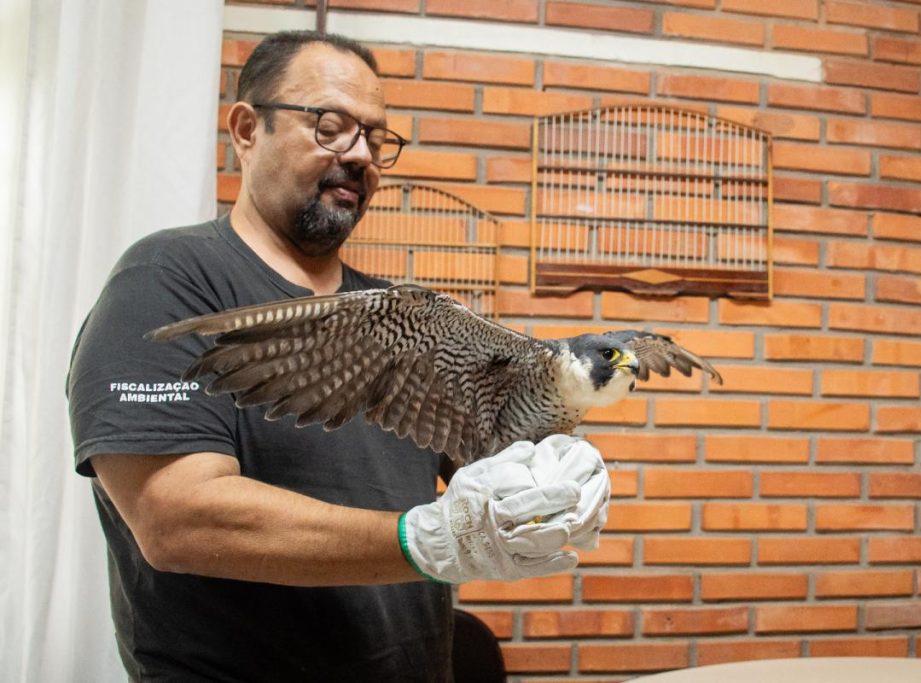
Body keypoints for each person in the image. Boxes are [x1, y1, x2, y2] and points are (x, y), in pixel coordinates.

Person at [66, 30, 609, 682]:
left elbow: (492, 463)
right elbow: (176, 518)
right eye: (330, 125)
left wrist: (556, 473)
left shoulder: (406, 315)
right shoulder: (169, 281)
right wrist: (422, 539)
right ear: (246, 128)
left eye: (376, 139)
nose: (360, 156)